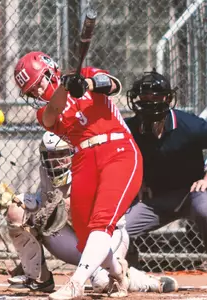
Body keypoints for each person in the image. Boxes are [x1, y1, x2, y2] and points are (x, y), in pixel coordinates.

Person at [13, 51, 143, 299]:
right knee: (84, 235)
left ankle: (76, 284)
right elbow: (53, 112)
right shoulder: (44, 113)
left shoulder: (86, 75)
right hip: (83, 160)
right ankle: (118, 272)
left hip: (117, 149)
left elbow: (114, 85)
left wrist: (87, 84)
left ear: (50, 70)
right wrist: (66, 88)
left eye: (38, 82)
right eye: (31, 91)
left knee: (101, 222)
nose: (37, 92)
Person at [4, 131, 178, 295]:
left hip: (107, 235)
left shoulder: (92, 168)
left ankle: (142, 280)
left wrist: (69, 207)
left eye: (61, 154)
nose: (55, 160)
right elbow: (45, 210)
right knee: (18, 207)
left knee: (102, 283)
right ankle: (37, 277)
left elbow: (101, 218)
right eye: (51, 154)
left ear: (74, 153)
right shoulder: (46, 171)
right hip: (71, 239)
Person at [123, 70, 207, 269]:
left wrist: (206, 177)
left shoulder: (190, 125)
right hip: (156, 199)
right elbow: (121, 157)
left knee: (205, 208)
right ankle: (126, 271)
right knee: (120, 229)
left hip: (192, 193)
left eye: (155, 96)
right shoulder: (130, 128)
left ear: (167, 98)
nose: (149, 100)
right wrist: (137, 180)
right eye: (144, 96)